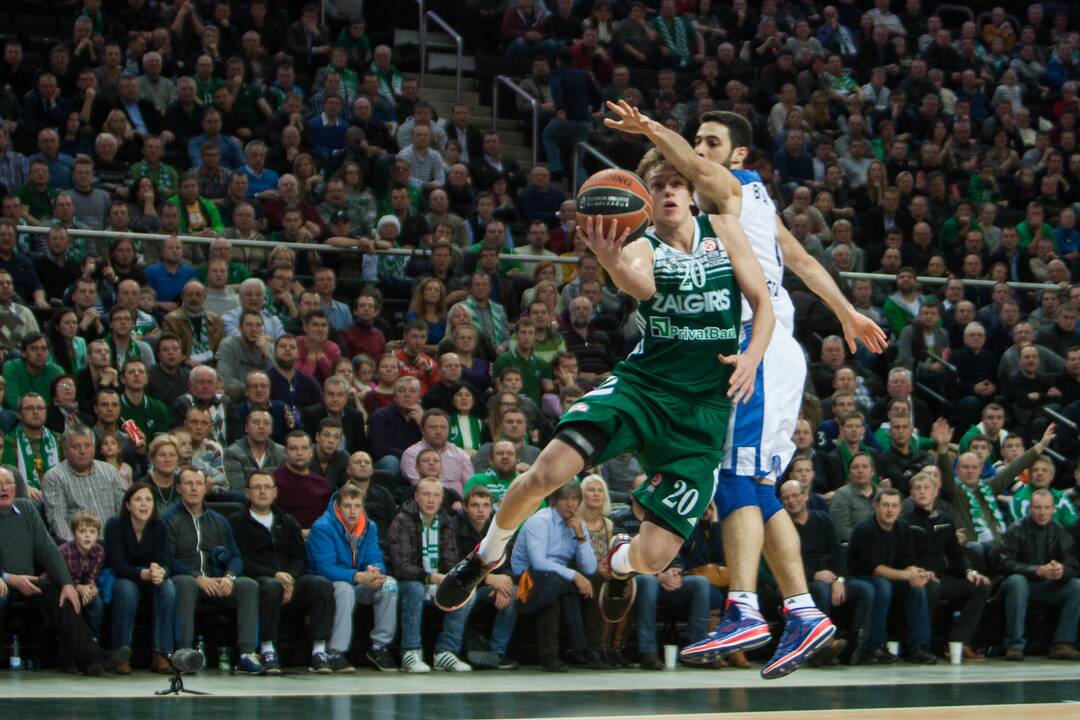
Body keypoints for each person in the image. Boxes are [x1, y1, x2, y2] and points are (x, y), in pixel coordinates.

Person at [436, 152, 774, 669]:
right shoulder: (641, 243)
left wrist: (751, 356)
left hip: (702, 411)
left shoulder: (724, 229)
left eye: (676, 183)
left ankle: (618, 564)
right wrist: (612, 260)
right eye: (657, 183)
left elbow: (763, 304)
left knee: (655, 557)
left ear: (691, 192)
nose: (667, 192)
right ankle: (488, 553)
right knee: (548, 471)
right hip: (642, 389)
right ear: (645, 196)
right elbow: (640, 285)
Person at [604, 102, 886, 678]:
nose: (698, 152)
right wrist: (847, 313)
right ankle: (804, 612)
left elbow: (688, 168)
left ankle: (744, 610)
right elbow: (803, 259)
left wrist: (649, 128)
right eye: (697, 142)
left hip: (754, 346)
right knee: (758, 485)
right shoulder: (751, 197)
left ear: (736, 156)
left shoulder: (731, 188)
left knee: (733, 474)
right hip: (768, 348)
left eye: (709, 143)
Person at [0, 468, 129, 675]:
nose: (3, 488)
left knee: (65, 595)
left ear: (16, 488)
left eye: (7, 483)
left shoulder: (26, 508)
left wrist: (68, 583)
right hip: (4, 582)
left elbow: (48, 549)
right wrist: (6, 577)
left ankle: (92, 660)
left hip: (30, 581)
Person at [230, 470, 339, 674]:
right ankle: (267, 648)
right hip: (259, 579)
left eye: (267, 487)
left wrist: (290, 577)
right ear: (247, 493)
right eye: (257, 487)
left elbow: (300, 556)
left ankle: (319, 650)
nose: (262, 492)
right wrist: (275, 574)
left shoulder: (287, 520)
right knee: (270, 586)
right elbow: (242, 559)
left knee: (321, 584)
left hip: (290, 580)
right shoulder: (237, 521)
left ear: (275, 492)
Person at [165, 467, 264, 675]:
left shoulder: (219, 521)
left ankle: (247, 653)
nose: (194, 488)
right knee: (185, 582)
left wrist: (229, 577)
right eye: (188, 483)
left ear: (205, 488)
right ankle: (184, 652)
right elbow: (167, 558)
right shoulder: (168, 520)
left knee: (248, 585)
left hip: (217, 580)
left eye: (198, 484)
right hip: (188, 580)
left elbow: (236, 557)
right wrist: (197, 577)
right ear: (178, 488)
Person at [306, 483, 399, 672]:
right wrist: (357, 576)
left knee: (389, 584)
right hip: (328, 583)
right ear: (338, 507)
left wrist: (375, 570)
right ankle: (335, 651)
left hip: (359, 579)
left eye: (357, 506)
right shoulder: (322, 526)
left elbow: (374, 555)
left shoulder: (369, 526)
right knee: (344, 588)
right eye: (347, 506)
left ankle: (379, 647)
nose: (352, 511)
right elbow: (325, 568)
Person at [903, 472, 991, 662]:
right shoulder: (905, 522)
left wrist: (969, 571)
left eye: (927, 488)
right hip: (918, 578)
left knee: (981, 585)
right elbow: (905, 556)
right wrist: (919, 572)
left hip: (943, 578)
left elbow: (956, 554)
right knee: (930, 587)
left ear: (936, 492)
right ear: (911, 493)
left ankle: (959, 642)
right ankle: (920, 645)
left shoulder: (945, 520)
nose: (922, 492)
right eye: (917, 488)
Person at [389, 477, 474, 672]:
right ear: (417, 497)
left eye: (436, 495)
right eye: (426, 494)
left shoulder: (446, 522)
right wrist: (430, 577)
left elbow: (452, 561)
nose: (430, 500)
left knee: (468, 593)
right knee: (415, 588)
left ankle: (445, 652)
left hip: (436, 580)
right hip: (405, 582)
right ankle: (410, 652)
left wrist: (450, 580)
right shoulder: (402, 520)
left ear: (441, 499)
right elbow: (402, 566)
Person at [780, 479, 868, 663]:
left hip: (831, 576)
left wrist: (840, 580)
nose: (791, 501)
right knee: (820, 588)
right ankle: (822, 644)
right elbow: (784, 562)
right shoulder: (781, 526)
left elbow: (837, 553)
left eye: (795, 495)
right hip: (800, 580)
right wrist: (814, 574)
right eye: (786, 497)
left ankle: (859, 647)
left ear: (805, 496)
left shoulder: (822, 519)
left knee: (865, 589)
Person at [847, 488, 935, 664]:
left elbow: (908, 559)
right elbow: (874, 568)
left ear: (900, 508)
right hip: (860, 577)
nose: (890, 510)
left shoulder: (903, 528)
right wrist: (907, 575)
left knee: (918, 588)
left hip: (891, 578)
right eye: (885, 505)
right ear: (876, 507)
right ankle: (875, 646)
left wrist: (916, 573)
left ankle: (917, 647)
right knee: (882, 585)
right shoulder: (864, 529)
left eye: (894, 506)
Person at [104, 482, 177, 674]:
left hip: (150, 580)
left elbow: (165, 562)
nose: (144, 504)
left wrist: (160, 572)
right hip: (125, 578)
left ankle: (161, 654)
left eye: (148, 500)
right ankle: (122, 654)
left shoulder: (159, 526)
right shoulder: (115, 525)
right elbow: (118, 566)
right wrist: (141, 573)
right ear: (128, 505)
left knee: (167, 587)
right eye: (138, 499)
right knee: (126, 589)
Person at [999, 489, 1080, 661]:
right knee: (1017, 582)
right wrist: (1036, 570)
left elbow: (1073, 565)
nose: (1042, 512)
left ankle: (1063, 643)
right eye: (1037, 508)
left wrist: (1061, 570)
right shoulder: (1016, 529)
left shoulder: (1060, 531)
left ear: (1053, 509)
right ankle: (1015, 644)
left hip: (1047, 586)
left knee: (1076, 586)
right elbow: (1005, 564)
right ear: (1030, 508)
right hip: (1019, 584)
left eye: (1046, 508)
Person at [452, 485, 519, 669]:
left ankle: (497, 652)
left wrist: (504, 580)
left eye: (485, 505)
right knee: (468, 597)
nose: (481, 510)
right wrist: (489, 580)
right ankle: (456, 650)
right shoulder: (453, 527)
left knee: (512, 592)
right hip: (462, 586)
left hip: (486, 587)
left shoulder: (497, 529)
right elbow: (454, 567)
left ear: (492, 508)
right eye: (475, 505)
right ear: (465, 507)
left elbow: (506, 562)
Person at [42, 426, 124, 541]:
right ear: (65, 450)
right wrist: (77, 549)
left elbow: (122, 511)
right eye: (76, 447)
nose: (82, 451)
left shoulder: (110, 471)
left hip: (113, 543)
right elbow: (57, 520)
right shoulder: (54, 477)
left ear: (94, 448)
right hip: (78, 548)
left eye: (87, 446)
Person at [1, 392, 62, 502]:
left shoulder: (59, 440)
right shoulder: (9, 442)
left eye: (40, 408)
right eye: (29, 408)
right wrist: (23, 487)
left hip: (57, 496)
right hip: (26, 500)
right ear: (19, 414)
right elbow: (6, 474)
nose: (35, 412)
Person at [401, 409, 475, 498]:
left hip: (460, 505)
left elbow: (471, 485)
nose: (438, 432)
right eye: (433, 427)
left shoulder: (459, 453)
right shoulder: (412, 454)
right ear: (422, 430)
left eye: (443, 427)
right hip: (429, 501)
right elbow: (419, 486)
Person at [272, 430, 332, 531]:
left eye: (304, 448)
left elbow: (329, 519)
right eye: (293, 449)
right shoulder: (273, 481)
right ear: (285, 452)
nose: (299, 453)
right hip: (284, 537)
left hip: (318, 536)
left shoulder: (323, 483)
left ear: (311, 452)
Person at [301, 375, 367, 454]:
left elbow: (361, 449)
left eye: (340, 395)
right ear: (324, 396)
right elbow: (307, 446)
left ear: (346, 398)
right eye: (331, 394)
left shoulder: (356, 416)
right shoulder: (310, 414)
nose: (335, 399)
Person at [224, 409, 285, 493]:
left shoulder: (282, 452)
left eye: (266, 423)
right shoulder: (233, 453)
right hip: (245, 504)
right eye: (256, 422)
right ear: (246, 428)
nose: (261, 426)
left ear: (271, 429)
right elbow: (238, 489)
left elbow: (283, 487)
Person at [3, 333, 65, 410]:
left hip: (48, 417)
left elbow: (63, 401)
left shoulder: (56, 371)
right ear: (23, 353)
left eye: (43, 349)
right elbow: (12, 401)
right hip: (17, 417)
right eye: (34, 349)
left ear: (48, 353)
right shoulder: (12, 367)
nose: (39, 353)